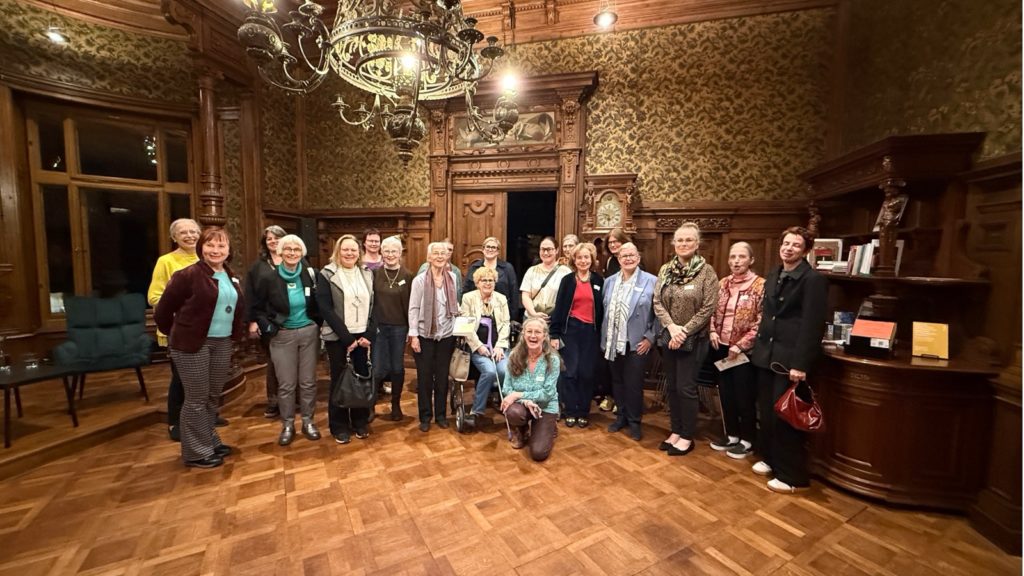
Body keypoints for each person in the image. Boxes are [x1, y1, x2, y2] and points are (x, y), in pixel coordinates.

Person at [154, 227, 245, 468]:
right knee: (196, 398)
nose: (216, 250)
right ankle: (196, 452)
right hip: (192, 344)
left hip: (222, 342)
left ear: (228, 250)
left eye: (221, 245)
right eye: (210, 245)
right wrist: (177, 334)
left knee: (212, 396)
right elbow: (163, 311)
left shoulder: (230, 275)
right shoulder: (188, 275)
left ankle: (209, 441)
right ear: (201, 248)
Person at [750, 227, 827, 494]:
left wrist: (801, 364)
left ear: (805, 250)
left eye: (796, 245)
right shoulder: (774, 274)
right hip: (766, 356)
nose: (789, 248)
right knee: (767, 412)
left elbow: (812, 325)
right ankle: (771, 459)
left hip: (789, 359)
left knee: (787, 416)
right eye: (786, 243)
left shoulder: (813, 280)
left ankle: (792, 475)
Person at [652, 222, 718, 456]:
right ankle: (676, 430)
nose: (683, 244)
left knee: (686, 388)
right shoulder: (665, 270)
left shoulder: (706, 272)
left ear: (697, 244)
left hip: (694, 340)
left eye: (689, 239)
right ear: (674, 244)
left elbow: (708, 307)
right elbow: (657, 302)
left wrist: (684, 331)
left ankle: (687, 436)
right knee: (672, 387)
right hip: (669, 338)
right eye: (679, 240)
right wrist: (672, 328)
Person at [251, 234, 322, 446]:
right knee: (286, 384)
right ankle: (288, 424)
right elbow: (257, 308)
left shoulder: (310, 275)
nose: (292, 253)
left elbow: (319, 302)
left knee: (308, 382)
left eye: (296, 249)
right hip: (282, 335)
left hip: (309, 333)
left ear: (302, 253)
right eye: (288, 249)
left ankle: (308, 421)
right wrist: (269, 327)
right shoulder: (269, 278)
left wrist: (317, 323)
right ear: (280, 252)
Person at [708, 242, 765, 459]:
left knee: (744, 396)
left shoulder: (760, 286)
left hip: (743, 353)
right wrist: (712, 331)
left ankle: (747, 440)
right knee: (726, 394)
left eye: (741, 257)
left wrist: (740, 345)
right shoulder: (722, 283)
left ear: (751, 260)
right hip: (721, 348)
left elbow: (762, 321)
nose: (736, 261)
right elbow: (710, 311)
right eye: (732, 257)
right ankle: (731, 435)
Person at [147, 218, 202, 442]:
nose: (190, 236)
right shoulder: (166, 261)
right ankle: (175, 422)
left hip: (206, 329)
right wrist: (184, 308)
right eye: (183, 232)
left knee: (203, 378)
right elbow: (154, 297)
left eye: (193, 231)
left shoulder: (206, 258)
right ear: (174, 237)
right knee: (181, 378)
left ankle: (204, 417)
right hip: (179, 330)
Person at [317, 234, 375, 444]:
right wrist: (347, 338)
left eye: (353, 250)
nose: (349, 253)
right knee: (340, 381)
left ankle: (360, 421)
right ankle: (339, 425)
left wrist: (368, 334)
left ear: (359, 253)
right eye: (345, 249)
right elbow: (325, 308)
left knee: (361, 378)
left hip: (362, 337)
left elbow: (374, 305)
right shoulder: (327, 274)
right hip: (338, 337)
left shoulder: (367, 273)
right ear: (338, 251)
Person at [600, 242, 657, 441]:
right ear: (618, 259)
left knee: (633, 384)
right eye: (624, 256)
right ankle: (621, 417)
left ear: (638, 258)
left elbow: (659, 314)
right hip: (612, 342)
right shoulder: (609, 282)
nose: (628, 258)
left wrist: (650, 337)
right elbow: (604, 312)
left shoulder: (652, 281)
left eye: (632, 255)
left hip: (637, 343)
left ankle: (634, 421)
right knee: (617, 382)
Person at [549, 242, 603, 428]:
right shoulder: (567, 280)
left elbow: (603, 310)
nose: (583, 261)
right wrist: (554, 334)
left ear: (592, 259)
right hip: (570, 331)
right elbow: (559, 308)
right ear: (574, 260)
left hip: (590, 333)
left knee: (586, 373)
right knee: (570, 372)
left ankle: (583, 411)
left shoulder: (599, 281)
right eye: (579, 257)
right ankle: (571, 410)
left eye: (586, 257)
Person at [409, 242, 459, 432]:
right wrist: (413, 335)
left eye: (442, 253)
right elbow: (413, 308)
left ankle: (441, 415)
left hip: (446, 335)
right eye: (435, 253)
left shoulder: (452, 277)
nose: (439, 256)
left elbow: (454, 304)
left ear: (447, 257)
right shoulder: (419, 280)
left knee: (442, 378)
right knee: (424, 378)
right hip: (424, 335)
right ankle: (425, 417)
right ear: (429, 257)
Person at [500, 317, 560, 461]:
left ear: (544, 336)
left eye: (537, 332)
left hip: (545, 407)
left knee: (538, 453)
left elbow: (547, 394)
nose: (533, 336)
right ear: (523, 334)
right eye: (529, 331)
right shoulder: (513, 356)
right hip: (523, 406)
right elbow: (507, 389)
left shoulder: (553, 360)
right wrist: (525, 401)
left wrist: (518, 395)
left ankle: (550, 424)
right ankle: (522, 429)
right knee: (513, 411)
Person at [459, 266, 511, 426]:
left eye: (491, 280)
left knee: (504, 370)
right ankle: (477, 411)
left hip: (498, 347)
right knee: (489, 371)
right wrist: (479, 346)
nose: (488, 283)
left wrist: (500, 346)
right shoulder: (468, 298)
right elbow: (466, 327)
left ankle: (506, 404)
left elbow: (505, 324)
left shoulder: (501, 298)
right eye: (484, 280)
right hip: (477, 348)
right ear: (477, 283)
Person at [245, 225, 287, 419]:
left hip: (293, 320)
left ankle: (292, 398)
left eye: (276, 237)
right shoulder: (258, 267)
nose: (273, 241)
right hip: (267, 320)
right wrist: (253, 321)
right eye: (269, 238)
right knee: (274, 362)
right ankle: (274, 401)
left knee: (293, 363)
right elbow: (251, 295)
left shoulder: (296, 260)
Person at [372, 235, 412, 420]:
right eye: (386, 251)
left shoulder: (408, 276)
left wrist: (411, 329)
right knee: (378, 369)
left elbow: (411, 305)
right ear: (381, 252)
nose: (390, 254)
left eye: (393, 251)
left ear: (400, 253)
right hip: (379, 328)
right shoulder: (374, 274)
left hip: (399, 328)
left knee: (397, 368)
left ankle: (396, 405)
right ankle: (370, 405)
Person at [464, 236, 521, 320]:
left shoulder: (507, 268)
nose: (490, 249)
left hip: (501, 313)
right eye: (488, 247)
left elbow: (514, 293)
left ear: (498, 251)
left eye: (493, 247)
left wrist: (513, 317)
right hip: (477, 313)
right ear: (483, 249)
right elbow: (466, 290)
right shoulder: (474, 267)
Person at [520, 236, 571, 321]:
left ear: (556, 250)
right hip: (532, 319)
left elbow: (568, 298)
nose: (546, 253)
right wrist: (533, 313)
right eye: (543, 249)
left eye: (549, 249)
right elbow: (525, 295)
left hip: (555, 320)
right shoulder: (531, 271)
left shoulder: (565, 272)